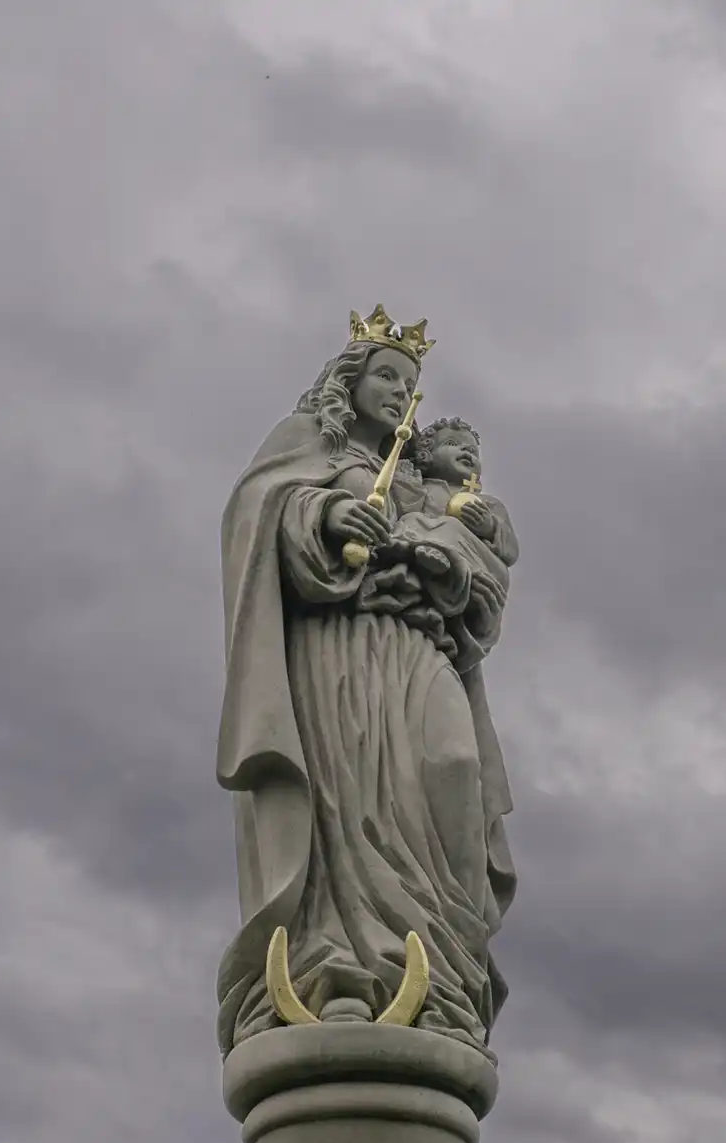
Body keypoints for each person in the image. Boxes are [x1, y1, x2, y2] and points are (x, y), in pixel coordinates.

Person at [214, 307, 516, 1057]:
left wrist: (449, 556)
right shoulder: (307, 442)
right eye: (386, 376)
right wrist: (328, 512)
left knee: (453, 770)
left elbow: (490, 569)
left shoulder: (428, 479)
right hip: (339, 651)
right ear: (349, 382)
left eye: (409, 385)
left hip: (420, 646)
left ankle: (444, 978)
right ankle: (339, 965)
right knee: (348, 801)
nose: (399, 394)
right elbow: (255, 515)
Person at [409, 415, 520, 569]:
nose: (467, 449)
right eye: (452, 443)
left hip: (474, 559)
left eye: (473, 451)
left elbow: (511, 552)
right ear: (426, 454)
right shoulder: (420, 487)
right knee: (411, 521)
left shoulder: (488, 503)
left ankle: (442, 559)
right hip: (419, 548)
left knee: (450, 527)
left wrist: (489, 527)